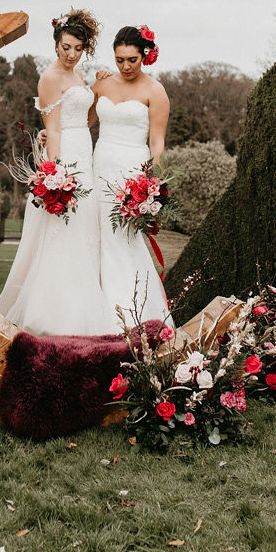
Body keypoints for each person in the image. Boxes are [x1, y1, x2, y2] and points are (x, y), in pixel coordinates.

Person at [0, 10, 118, 336]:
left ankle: (84, 302)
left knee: (85, 228)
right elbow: (55, 129)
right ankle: (57, 311)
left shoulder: (78, 75)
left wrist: (99, 86)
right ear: (56, 43)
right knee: (64, 229)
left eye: (78, 48)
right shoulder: (49, 77)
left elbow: (84, 121)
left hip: (84, 149)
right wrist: (56, 175)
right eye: (66, 47)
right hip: (67, 156)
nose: (71, 54)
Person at [92, 25, 174, 329]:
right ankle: (96, 312)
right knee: (98, 237)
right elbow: (80, 121)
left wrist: (154, 187)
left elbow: (157, 143)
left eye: (132, 60)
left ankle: (132, 315)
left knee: (123, 242)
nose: (125, 66)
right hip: (99, 168)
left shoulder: (155, 91)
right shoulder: (101, 85)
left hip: (132, 175)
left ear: (145, 56)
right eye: (119, 60)